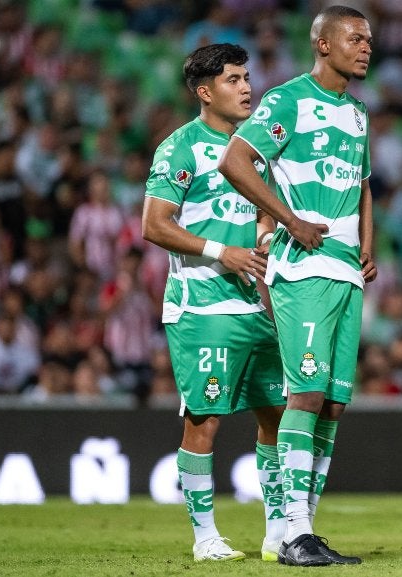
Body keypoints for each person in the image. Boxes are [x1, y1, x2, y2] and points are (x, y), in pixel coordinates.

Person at [218, 5, 376, 567]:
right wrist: (288, 219)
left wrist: (367, 244)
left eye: (369, 39)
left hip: (344, 271)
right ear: (324, 44)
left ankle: (304, 529)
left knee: (331, 405)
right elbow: (236, 161)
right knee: (304, 395)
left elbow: (362, 183)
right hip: (303, 267)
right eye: (355, 38)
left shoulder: (358, 114)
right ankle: (292, 534)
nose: (366, 46)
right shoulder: (288, 100)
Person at [141, 43, 287, 563]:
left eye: (247, 76)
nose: (246, 87)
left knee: (277, 414)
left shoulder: (257, 149)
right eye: (232, 79)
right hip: (202, 307)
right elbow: (154, 224)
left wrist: (266, 235)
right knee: (204, 421)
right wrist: (220, 250)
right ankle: (206, 538)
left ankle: (278, 533)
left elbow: (264, 213)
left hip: (255, 306)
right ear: (205, 92)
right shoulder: (179, 148)